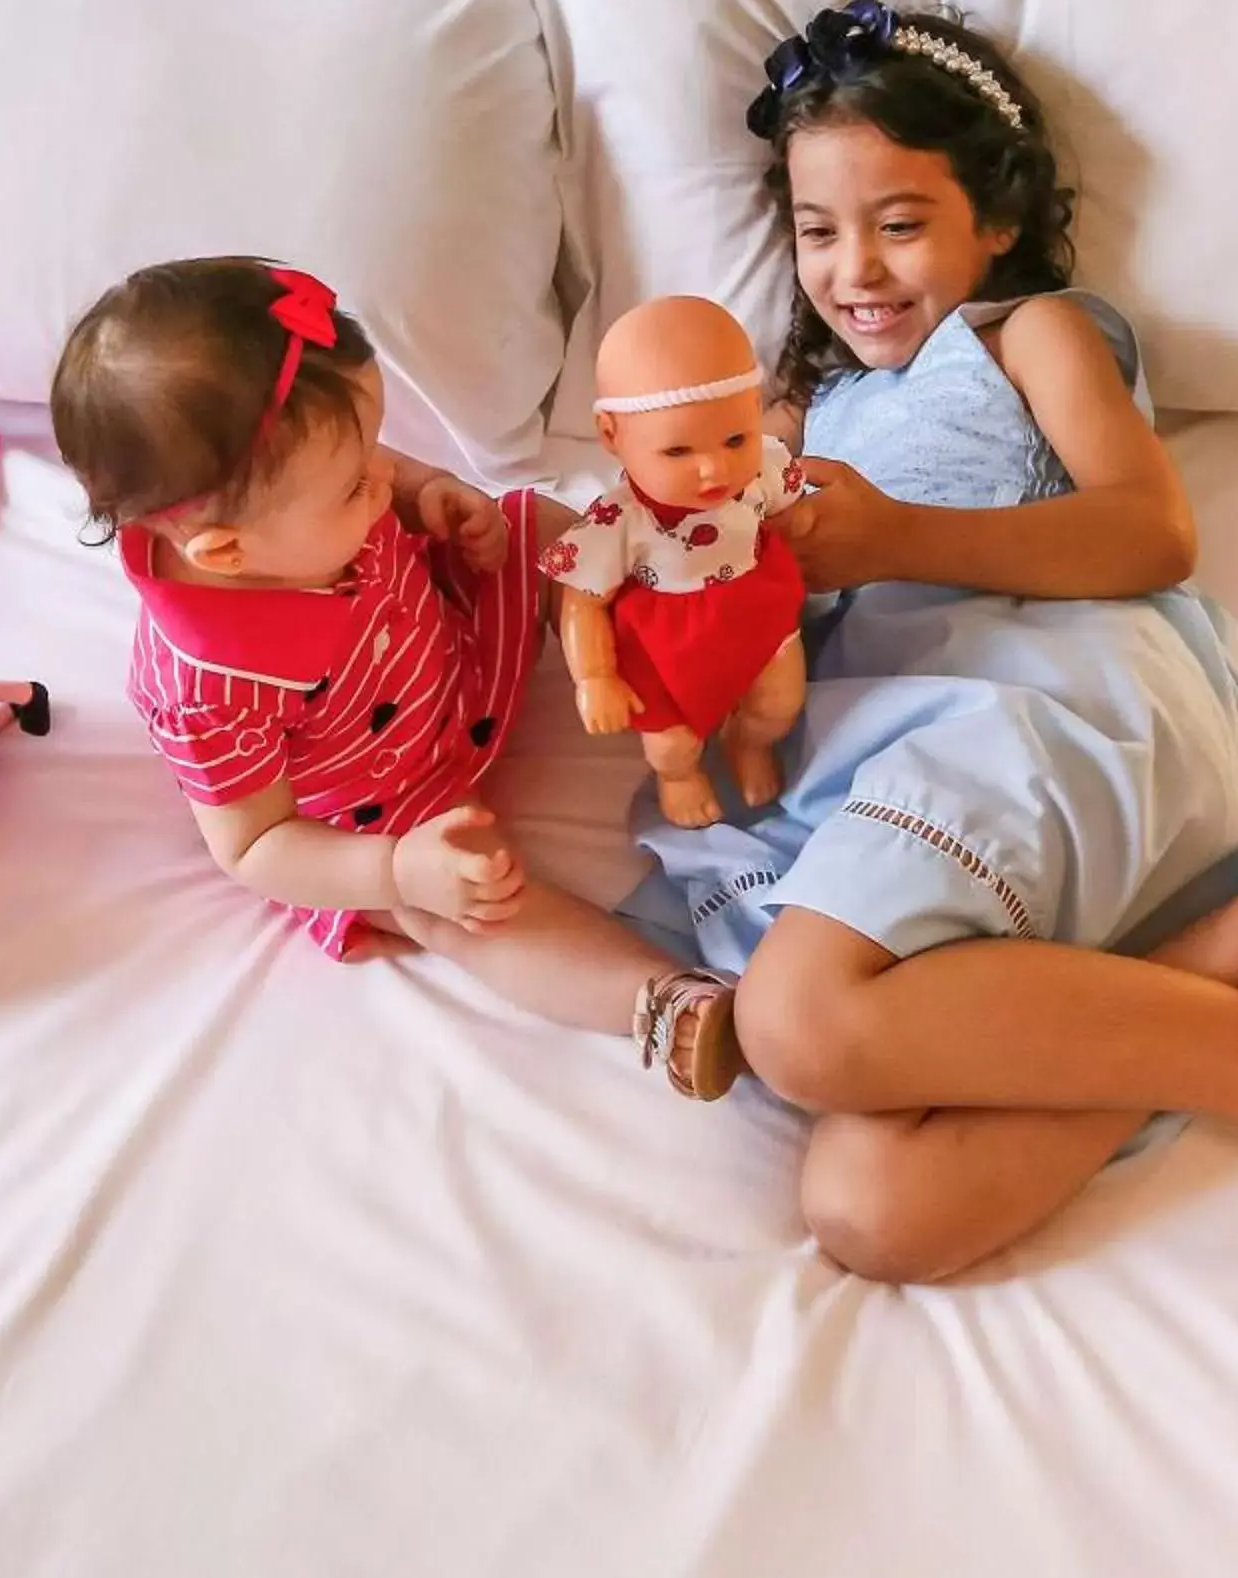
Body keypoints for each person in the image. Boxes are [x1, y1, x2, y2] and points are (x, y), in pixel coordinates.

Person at [626, 0, 1238, 1288]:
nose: (856, 271)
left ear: (993, 222)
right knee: (874, 1210)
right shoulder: (801, 407)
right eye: (818, 231)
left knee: (799, 1017)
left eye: (900, 223)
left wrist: (895, 538)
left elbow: (1150, 532)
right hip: (891, 755)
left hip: (1050, 699)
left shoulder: (1024, 332)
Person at [52, 256, 740, 1096]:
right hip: (385, 810)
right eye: (357, 484)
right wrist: (392, 872)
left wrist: (434, 494)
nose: (384, 476)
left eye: (378, 449)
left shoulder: (302, 498)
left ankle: (702, 609)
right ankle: (662, 1002)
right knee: (463, 907)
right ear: (227, 555)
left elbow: (374, 472)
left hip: (449, 649)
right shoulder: (207, 689)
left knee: (540, 524)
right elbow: (255, 845)